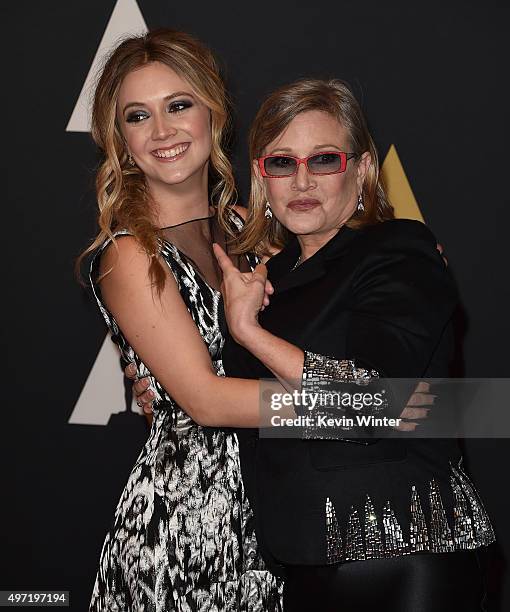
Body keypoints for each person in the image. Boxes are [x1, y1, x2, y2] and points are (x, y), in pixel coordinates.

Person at [210, 79, 495, 611]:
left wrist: (251, 335)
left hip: (406, 556)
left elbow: (375, 398)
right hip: (294, 560)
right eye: (281, 163)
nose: (301, 180)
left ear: (362, 169)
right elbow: (231, 406)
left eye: (323, 160)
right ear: (260, 175)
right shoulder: (261, 282)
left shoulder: (401, 251)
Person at [80, 29, 283, 611]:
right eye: (138, 116)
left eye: (178, 105)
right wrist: (363, 407)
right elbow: (207, 402)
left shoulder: (249, 228)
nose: (163, 132)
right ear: (119, 139)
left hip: (277, 510)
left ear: (213, 113)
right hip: (190, 527)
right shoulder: (130, 253)